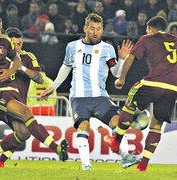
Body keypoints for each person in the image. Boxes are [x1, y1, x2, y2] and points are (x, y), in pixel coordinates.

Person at [40, 13, 142, 170]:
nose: (96, 32)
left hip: (100, 97)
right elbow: (65, 68)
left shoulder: (107, 49)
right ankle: (86, 165)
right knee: (84, 126)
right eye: (92, 29)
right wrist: (52, 87)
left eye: (99, 29)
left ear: (102, 30)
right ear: (85, 28)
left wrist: (122, 60)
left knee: (117, 122)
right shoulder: (72, 47)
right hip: (78, 97)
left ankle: (126, 157)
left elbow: (115, 73)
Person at [0, 6, 68, 167]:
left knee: (24, 132)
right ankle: (56, 148)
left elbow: (20, 62)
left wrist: (12, 70)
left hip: (12, 96)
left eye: (19, 43)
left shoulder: (8, 46)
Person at [104, 16, 177, 172]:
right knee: (156, 125)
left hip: (153, 83)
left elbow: (131, 57)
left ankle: (116, 141)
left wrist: (121, 79)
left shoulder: (147, 38)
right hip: (172, 88)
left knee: (130, 104)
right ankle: (142, 166)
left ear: (151, 28)